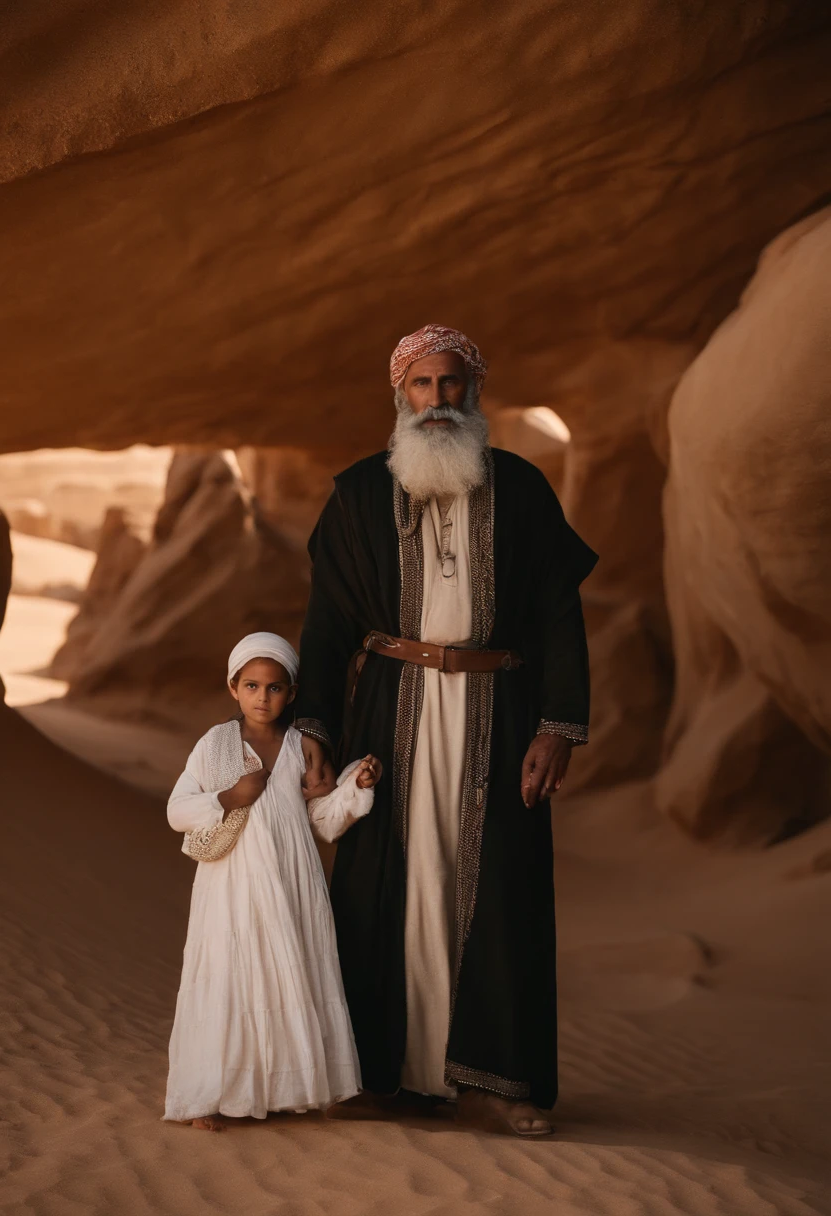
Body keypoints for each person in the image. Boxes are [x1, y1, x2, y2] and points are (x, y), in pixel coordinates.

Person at [295, 326, 597, 1136]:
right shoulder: (358, 495)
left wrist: (558, 726)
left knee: (498, 889)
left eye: (452, 384)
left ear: (475, 392)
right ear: (401, 396)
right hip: (388, 717)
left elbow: (560, 620)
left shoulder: (525, 492)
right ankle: (376, 1073)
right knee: (379, 885)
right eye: (422, 386)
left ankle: (493, 1081)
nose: (438, 401)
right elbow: (325, 629)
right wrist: (313, 726)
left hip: (498, 717)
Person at [164, 632, 382, 1130]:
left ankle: (283, 1091)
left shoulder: (301, 746)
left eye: (276, 687)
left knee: (288, 973)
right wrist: (227, 798)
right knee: (230, 976)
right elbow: (177, 810)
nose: (264, 697)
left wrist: (353, 785)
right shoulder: (213, 745)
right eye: (252, 686)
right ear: (232, 688)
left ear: (293, 691)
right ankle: (210, 1098)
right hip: (232, 884)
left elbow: (322, 821)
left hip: (291, 880)